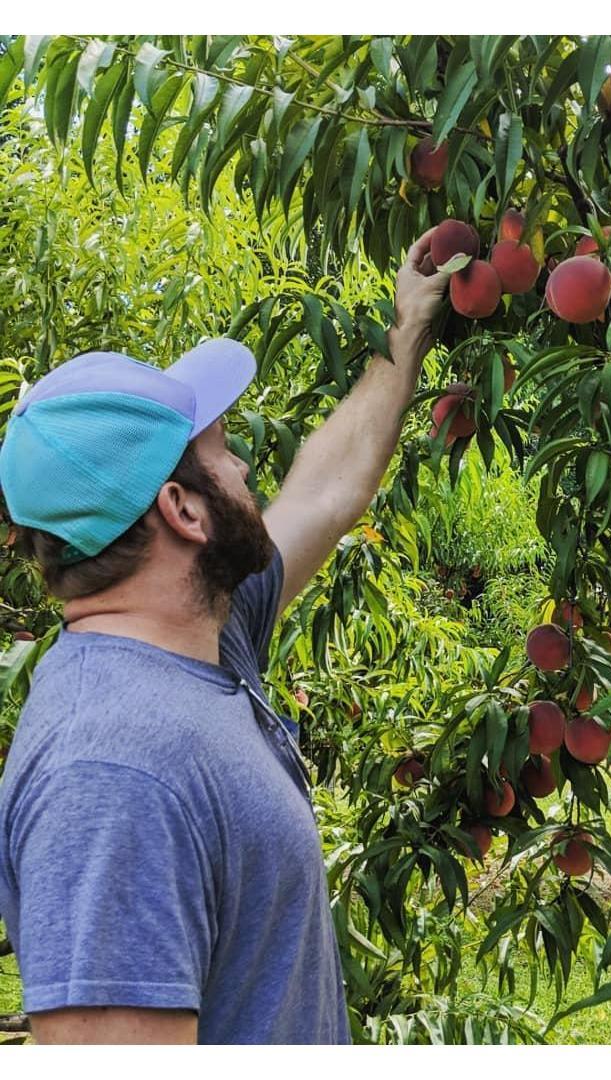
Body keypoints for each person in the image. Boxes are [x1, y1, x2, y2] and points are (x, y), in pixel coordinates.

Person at [0, 228, 448, 1044]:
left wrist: (405, 327)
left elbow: (328, 490)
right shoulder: (115, 772)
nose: (244, 467)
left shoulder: (208, 636)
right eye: (222, 451)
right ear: (184, 510)